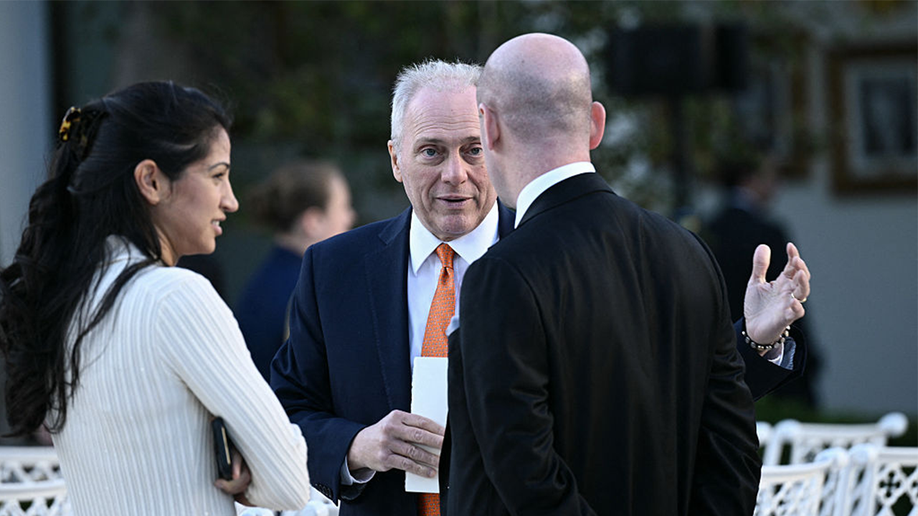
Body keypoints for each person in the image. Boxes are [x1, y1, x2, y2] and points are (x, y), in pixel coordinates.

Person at [272, 60, 810, 516]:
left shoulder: (556, 255)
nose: (455, 174)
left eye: (473, 149)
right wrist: (358, 446)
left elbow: (647, 391)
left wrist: (756, 343)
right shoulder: (334, 268)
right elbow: (286, 414)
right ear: (395, 159)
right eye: (432, 151)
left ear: (496, 141)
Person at [442, 33, 788, 515]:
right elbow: (732, 451)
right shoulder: (687, 252)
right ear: (596, 125)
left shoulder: (501, 274)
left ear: (488, 126)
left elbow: (525, 476)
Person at [0, 81, 310, 515]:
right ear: (150, 180)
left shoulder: (67, 300)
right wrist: (251, 477)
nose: (231, 200)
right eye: (216, 175)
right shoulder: (176, 297)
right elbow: (290, 484)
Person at [704, 153, 820, 406]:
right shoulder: (767, 232)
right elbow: (790, 299)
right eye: (771, 175)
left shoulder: (707, 229)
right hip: (766, 355)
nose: (777, 184)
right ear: (750, 178)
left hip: (721, 356)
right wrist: (807, 358)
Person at [236, 160, 355, 381]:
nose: (350, 217)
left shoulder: (264, 280)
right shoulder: (310, 290)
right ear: (313, 221)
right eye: (343, 207)